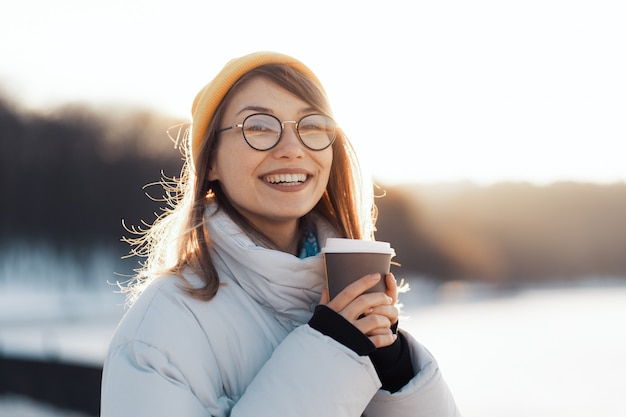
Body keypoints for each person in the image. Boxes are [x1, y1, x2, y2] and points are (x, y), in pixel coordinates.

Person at [100, 51, 459, 416]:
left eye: (312, 127)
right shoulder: (159, 331)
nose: (292, 149)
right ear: (210, 161)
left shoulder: (347, 292)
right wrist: (331, 352)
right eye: (259, 127)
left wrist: (395, 371)